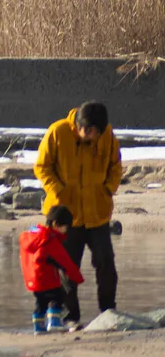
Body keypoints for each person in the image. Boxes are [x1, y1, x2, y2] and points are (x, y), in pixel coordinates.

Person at [34, 101, 122, 330]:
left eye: (95, 132)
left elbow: (115, 166)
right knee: (65, 268)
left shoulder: (108, 136)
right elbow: (42, 166)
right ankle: (69, 317)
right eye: (87, 130)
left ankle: (108, 311)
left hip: (97, 213)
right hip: (65, 215)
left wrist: (108, 189)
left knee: (106, 264)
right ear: (79, 125)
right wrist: (58, 191)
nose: (90, 136)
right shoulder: (58, 131)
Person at [19, 205, 85, 333]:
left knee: (40, 302)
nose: (66, 231)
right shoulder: (49, 240)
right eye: (65, 227)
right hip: (47, 278)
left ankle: (38, 328)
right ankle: (54, 323)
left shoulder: (31, 237)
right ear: (56, 224)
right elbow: (65, 262)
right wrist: (78, 277)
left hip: (33, 280)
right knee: (57, 297)